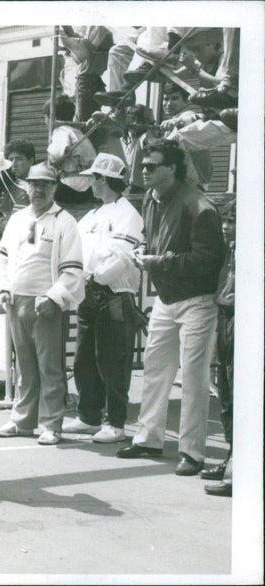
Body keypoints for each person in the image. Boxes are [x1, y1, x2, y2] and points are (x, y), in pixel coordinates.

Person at [116, 139, 225, 476]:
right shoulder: (152, 198)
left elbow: (208, 261)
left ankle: (192, 453)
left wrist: (158, 261)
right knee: (155, 369)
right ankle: (149, 438)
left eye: (151, 166)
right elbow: (152, 235)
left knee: (193, 378)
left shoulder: (199, 205)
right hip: (167, 297)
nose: (143, 170)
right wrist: (145, 250)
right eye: (143, 165)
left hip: (197, 301)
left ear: (172, 169)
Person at [0, 163, 84, 445]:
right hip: (17, 300)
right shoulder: (18, 219)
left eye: (45, 185)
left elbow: (73, 270)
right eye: (34, 184)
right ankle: (22, 420)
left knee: (50, 366)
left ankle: (51, 424)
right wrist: (3, 288)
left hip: (46, 303)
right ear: (27, 187)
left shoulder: (65, 221)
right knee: (23, 365)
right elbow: (2, 257)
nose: (39, 190)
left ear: (55, 188)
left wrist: (53, 297)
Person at [63, 154, 144, 443]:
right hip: (88, 292)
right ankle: (89, 416)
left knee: (112, 361)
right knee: (84, 359)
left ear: (104, 180)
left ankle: (116, 422)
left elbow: (122, 257)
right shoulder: (92, 215)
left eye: (94, 178)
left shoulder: (128, 214)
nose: (90, 183)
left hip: (113, 295)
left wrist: (97, 277)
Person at [203, 198, 235, 497]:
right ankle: (231, 458)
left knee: (241, 396)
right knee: (225, 395)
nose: (226, 227)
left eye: (233, 222)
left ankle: (239, 469)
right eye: (225, 221)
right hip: (224, 318)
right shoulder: (229, 251)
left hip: (242, 321)